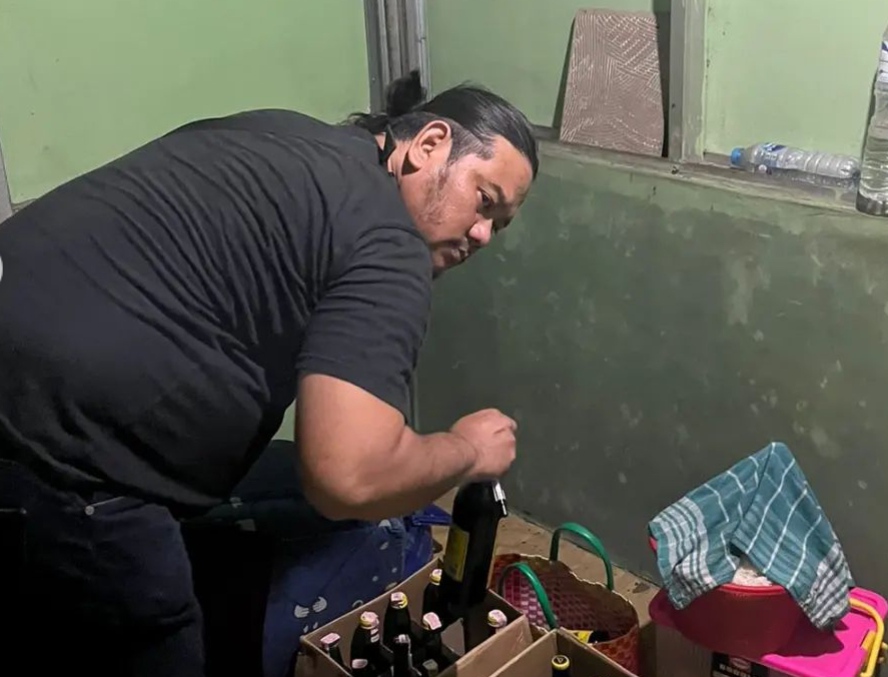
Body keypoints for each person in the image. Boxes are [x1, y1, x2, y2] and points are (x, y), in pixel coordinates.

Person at [0, 71, 538, 675]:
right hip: (64, 459)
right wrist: (467, 451)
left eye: (499, 225)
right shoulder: (388, 243)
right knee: (162, 643)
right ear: (429, 144)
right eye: (484, 201)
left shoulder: (287, 134)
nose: (482, 235)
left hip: (24, 376)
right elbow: (348, 478)